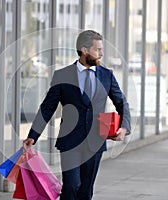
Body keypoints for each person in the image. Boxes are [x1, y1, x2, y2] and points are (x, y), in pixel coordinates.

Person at [23, 30, 131, 200]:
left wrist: (124, 127)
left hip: (95, 142)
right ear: (84, 50)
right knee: (72, 186)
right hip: (70, 141)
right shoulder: (62, 75)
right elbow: (47, 108)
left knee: (86, 191)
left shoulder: (106, 75)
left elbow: (122, 103)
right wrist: (33, 135)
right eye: (97, 50)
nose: (101, 53)